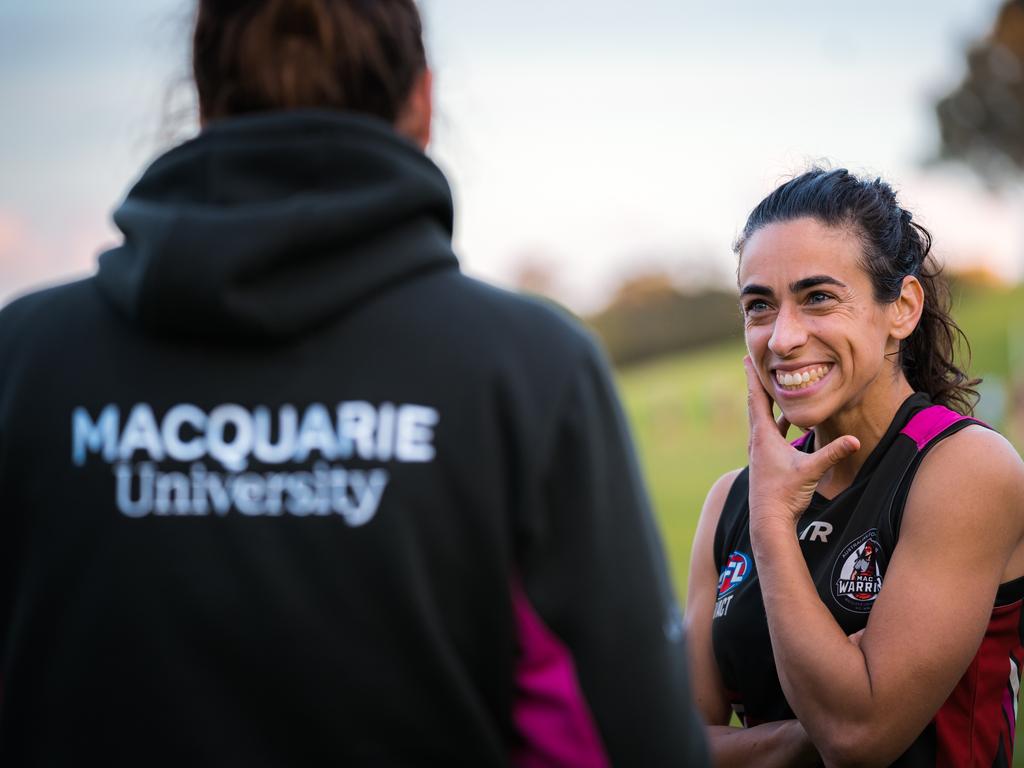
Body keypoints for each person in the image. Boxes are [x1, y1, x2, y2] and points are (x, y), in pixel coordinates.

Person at [0, 1, 709, 765]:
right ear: (424, 104)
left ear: (204, 103)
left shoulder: (24, 360)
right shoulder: (528, 369)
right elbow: (636, 742)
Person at [686, 167, 1024, 767]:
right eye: (759, 306)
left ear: (902, 308)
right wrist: (797, 735)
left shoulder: (965, 469)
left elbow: (855, 737)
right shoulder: (727, 501)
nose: (783, 338)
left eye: (818, 297)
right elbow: (670, 742)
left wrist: (771, 524)